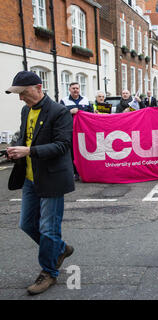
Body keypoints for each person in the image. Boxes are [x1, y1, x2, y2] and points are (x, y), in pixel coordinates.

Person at [5, 71, 75, 295]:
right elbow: (25, 136)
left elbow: (62, 145)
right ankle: (60, 249)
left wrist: (29, 150)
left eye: (23, 93)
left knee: (48, 228)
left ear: (38, 87)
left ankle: (48, 272)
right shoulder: (26, 110)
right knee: (27, 224)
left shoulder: (59, 112)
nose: (20, 98)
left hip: (52, 178)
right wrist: (16, 148)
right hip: (29, 177)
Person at [59, 82, 93, 181]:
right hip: (70, 131)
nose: (75, 90)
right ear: (69, 89)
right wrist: (69, 112)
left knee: (85, 150)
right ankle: (75, 173)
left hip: (83, 131)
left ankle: (85, 171)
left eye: (77, 88)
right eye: (73, 88)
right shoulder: (64, 101)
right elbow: (60, 115)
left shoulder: (85, 100)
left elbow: (91, 114)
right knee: (72, 152)